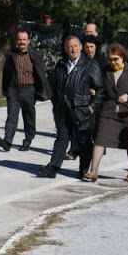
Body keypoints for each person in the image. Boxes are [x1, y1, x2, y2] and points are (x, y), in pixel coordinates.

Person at [39, 36, 104, 179]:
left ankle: (84, 169)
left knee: (84, 141)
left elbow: (100, 89)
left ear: (81, 47)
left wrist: (92, 107)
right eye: (70, 46)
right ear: (66, 49)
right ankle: (53, 167)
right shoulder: (61, 65)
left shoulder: (91, 65)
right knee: (62, 138)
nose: (73, 49)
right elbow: (53, 86)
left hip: (82, 110)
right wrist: (56, 104)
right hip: (63, 110)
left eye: (76, 46)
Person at [84, 43, 128, 182]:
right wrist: (94, 91)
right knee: (100, 139)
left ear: (123, 57)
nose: (113, 62)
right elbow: (100, 87)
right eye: (111, 59)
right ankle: (93, 171)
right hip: (109, 111)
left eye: (116, 59)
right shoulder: (104, 71)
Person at [0, 30, 51, 152]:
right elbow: (6, 73)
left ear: (28, 41)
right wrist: (4, 89)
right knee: (11, 117)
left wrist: (43, 90)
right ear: (16, 41)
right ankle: (7, 141)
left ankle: (27, 141)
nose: (22, 42)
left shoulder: (35, 55)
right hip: (14, 90)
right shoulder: (10, 55)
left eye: (24, 40)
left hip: (29, 90)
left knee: (29, 117)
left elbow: (41, 73)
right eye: (20, 40)